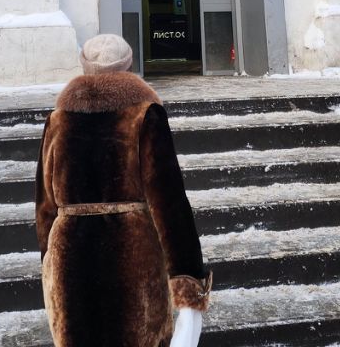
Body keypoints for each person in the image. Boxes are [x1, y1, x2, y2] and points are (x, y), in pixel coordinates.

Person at [35, 35, 211, 347]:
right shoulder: (144, 115)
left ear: (85, 67)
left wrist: (49, 262)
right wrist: (188, 282)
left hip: (69, 260)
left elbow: (45, 206)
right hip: (133, 256)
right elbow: (169, 203)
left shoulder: (57, 120)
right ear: (128, 65)